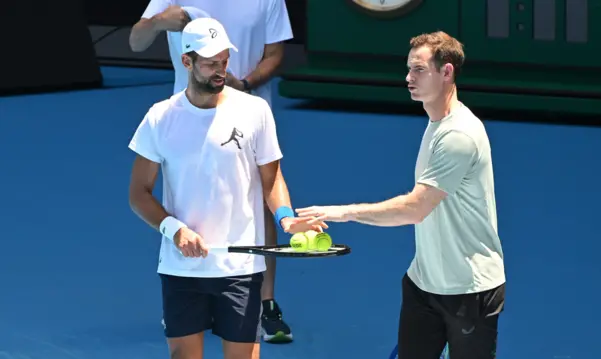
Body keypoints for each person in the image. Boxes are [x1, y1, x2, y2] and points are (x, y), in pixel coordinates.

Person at [296, 31, 506, 359]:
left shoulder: (458, 136)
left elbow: (415, 209)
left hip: (469, 290)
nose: (408, 78)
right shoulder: (436, 123)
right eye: (408, 69)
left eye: (419, 70)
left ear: (447, 72)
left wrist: (342, 212)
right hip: (423, 283)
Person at [127, 18, 325, 359]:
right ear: (186, 62)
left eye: (223, 61)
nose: (220, 70)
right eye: (210, 64)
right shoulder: (160, 118)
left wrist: (286, 219)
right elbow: (139, 193)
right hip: (182, 268)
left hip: (241, 270)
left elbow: (272, 178)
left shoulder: (254, 110)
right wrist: (175, 231)